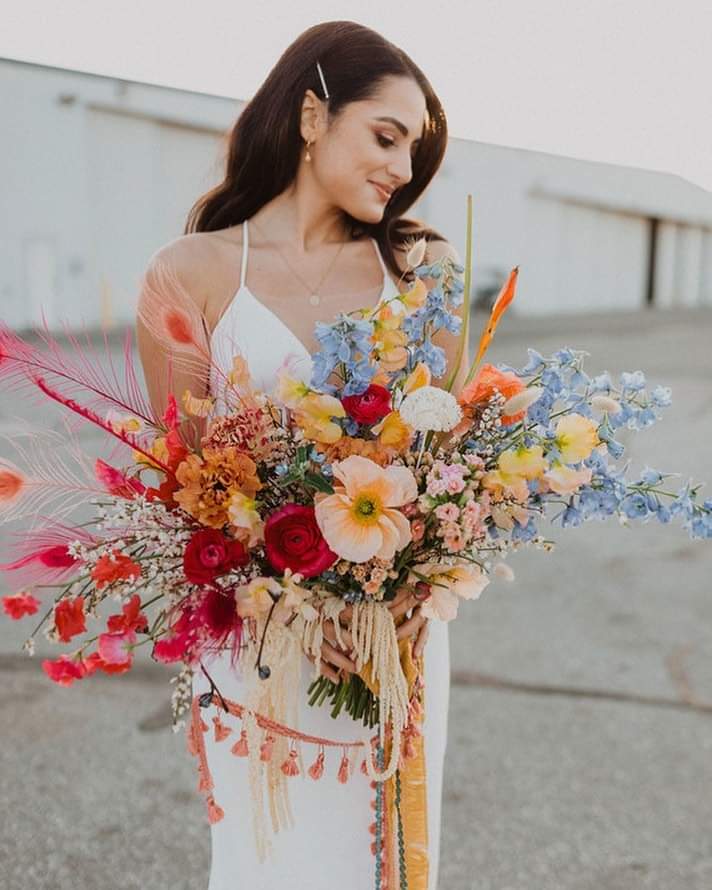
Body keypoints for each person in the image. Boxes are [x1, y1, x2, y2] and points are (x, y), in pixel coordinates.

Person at [136, 20, 469, 890]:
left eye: (414, 150)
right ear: (314, 116)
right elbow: (184, 483)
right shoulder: (191, 270)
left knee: (385, 861)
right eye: (385, 137)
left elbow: (452, 468)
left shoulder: (423, 269)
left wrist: (412, 590)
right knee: (271, 860)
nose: (402, 169)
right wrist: (284, 607)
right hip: (261, 644)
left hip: (391, 638)